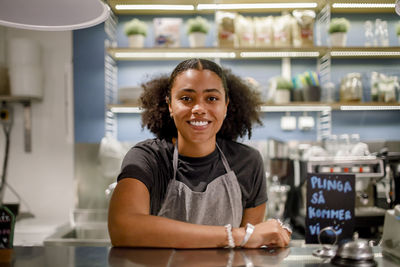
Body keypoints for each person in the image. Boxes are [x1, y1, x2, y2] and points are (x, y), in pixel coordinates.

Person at [108, 58, 291, 248]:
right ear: (170, 105)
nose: (199, 109)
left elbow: (248, 248)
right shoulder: (148, 158)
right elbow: (123, 227)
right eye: (186, 99)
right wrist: (234, 235)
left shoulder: (248, 162)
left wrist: (251, 237)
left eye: (212, 98)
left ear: (226, 106)